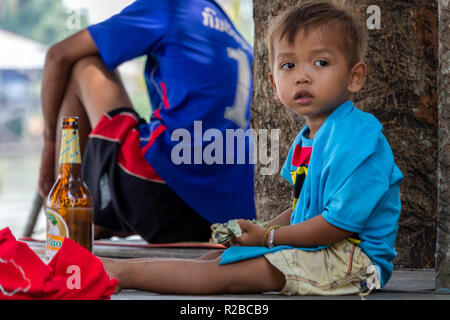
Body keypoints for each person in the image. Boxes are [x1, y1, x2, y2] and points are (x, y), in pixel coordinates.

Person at [101, 2, 404, 296]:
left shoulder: (358, 136)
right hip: (325, 250)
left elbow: (336, 224)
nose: (302, 75)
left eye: (321, 63)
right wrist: (258, 231)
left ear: (355, 76)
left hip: (354, 262)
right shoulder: (309, 137)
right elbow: (303, 211)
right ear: (274, 83)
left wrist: (269, 238)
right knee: (218, 259)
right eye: (289, 65)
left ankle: (119, 271)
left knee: (226, 275)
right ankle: (122, 272)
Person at [38, 0, 256, 243]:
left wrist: (48, 145)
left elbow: (57, 55)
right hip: (219, 214)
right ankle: (100, 214)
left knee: (83, 63)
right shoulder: (229, 29)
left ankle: (67, 215)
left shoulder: (171, 7)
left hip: (161, 195)